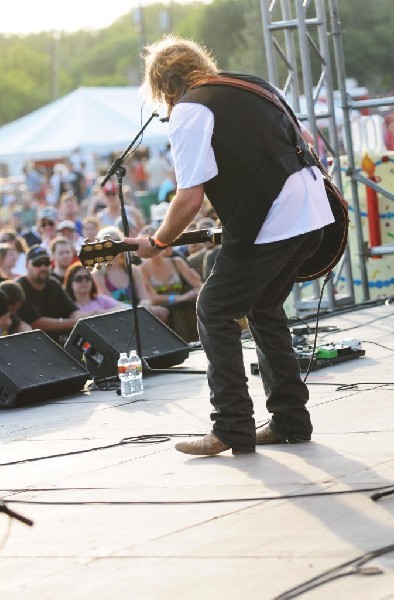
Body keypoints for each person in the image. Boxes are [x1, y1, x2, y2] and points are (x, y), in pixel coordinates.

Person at [126, 35, 335, 456]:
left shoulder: (191, 109)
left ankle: (231, 426)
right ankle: (290, 421)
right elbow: (308, 144)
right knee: (263, 307)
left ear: (165, 86)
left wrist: (157, 242)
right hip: (314, 213)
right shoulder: (253, 84)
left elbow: (189, 198)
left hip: (273, 220)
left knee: (213, 308)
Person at [16, 245, 84, 346]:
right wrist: (73, 323)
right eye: (37, 263)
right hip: (30, 344)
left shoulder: (53, 284)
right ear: (26, 265)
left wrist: (77, 317)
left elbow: (72, 310)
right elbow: (36, 323)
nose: (43, 267)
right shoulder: (20, 287)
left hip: (57, 342)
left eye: (46, 263)